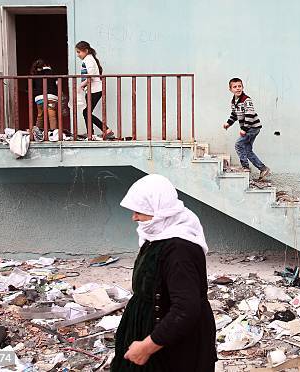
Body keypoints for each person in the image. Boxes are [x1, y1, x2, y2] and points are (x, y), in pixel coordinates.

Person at [111, 174, 217, 371]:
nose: (134, 217)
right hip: (149, 332)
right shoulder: (158, 235)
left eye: (139, 211)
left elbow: (186, 309)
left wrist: (147, 346)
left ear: (159, 211)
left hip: (171, 346)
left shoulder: (179, 249)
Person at [222, 78, 270, 179]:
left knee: (239, 145)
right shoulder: (234, 102)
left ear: (243, 87)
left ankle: (245, 167)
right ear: (230, 89)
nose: (238, 88)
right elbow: (234, 114)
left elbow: (250, 115)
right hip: (249, 128)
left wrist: (244, 129)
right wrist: (228, 123)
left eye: (239, 86)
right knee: (248, 150)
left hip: (252, 127)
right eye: (235, 87)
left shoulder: (246, 100)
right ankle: (263, 168)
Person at [75, 41, 115, 139]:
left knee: (86, 112)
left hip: (95, 90)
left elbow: (91, 75)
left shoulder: (88, 59)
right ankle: (91, 133)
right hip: (92, 89)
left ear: (86, 51)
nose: (78, 55)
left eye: (79, 52)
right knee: (86, 112)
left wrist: (80, 86)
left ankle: (105, 130)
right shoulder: (89, 59)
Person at [30, 59, 58, 138]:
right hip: (51, 97)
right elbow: (57, 84)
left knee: (40, 115)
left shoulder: (35, 74)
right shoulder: (52, 72)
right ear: (47, 65)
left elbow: (32, 87)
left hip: (39, 98)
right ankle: (53, 133)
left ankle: (38, 132)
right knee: (52, 115)